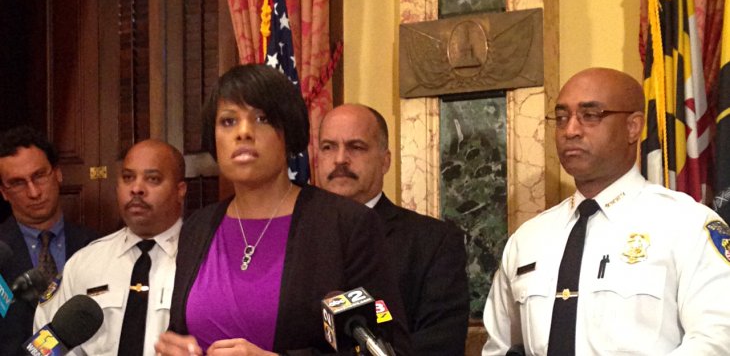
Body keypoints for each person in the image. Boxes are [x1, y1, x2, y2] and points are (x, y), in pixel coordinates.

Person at [155, 64, 412, 356]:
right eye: (228, 121)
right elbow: (181, 331)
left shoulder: (347, 225)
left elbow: (388, 346)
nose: (243, 132)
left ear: (288, 133)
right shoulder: (198, 227)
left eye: (262, 119)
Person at [482, 68, 730, 355]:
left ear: (633, 127)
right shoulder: (528, 240)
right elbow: (499, 347)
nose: (570, 130)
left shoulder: (687, 226)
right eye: (561, 118)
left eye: (590, 115)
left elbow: (717, 341)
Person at [316, 104, 469, 356]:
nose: (340, 159)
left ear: (385, 161)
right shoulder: (294, 237)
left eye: (356, 147)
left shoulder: (433, 242)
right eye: (328, 147)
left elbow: (439, 345)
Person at [34, 139, 187, 356]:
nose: (136, 188)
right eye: (127, 178)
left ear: (180, 190)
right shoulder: (85, 262)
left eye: (152, 179)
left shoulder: (204, 260)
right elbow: (43, 346)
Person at [0, 126, 97, 356]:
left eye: (39, 176)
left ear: (58, 173)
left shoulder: (94, 245)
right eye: (18, 183)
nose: (33, 192)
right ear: (4, 192)